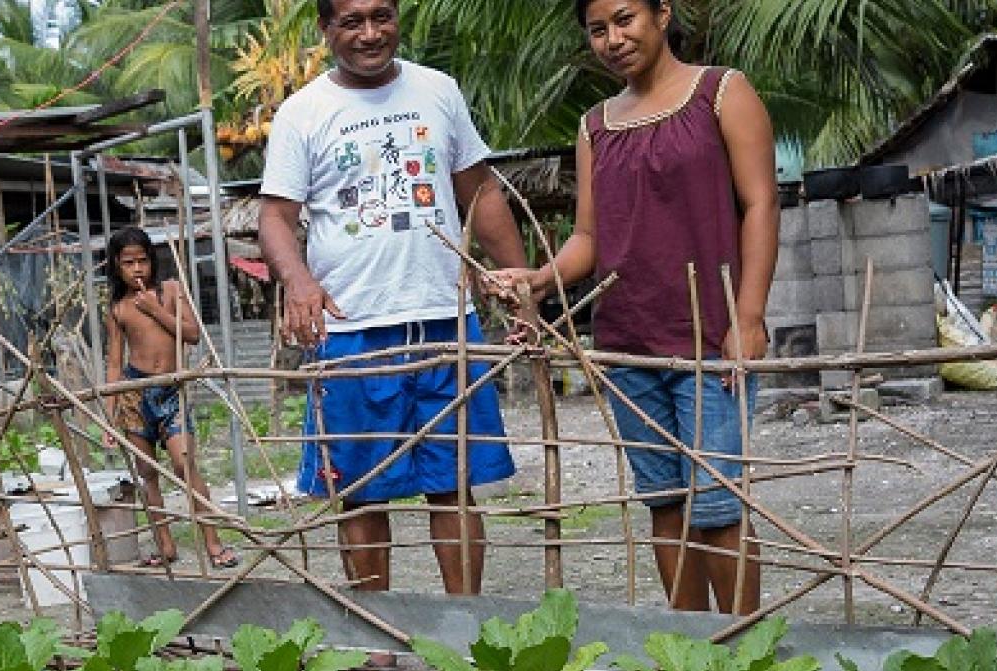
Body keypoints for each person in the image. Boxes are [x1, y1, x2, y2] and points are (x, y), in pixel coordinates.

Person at [490, 0, 778, 614]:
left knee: (720, 507)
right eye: (599, 30)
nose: (614, 39)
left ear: (662, 14)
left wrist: (748, 316)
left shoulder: (721, 92)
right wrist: (541, 279)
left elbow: (761, 205)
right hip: (627, 342)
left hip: (711, 336)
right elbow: (590, 239)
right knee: (666, 505)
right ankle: (689, 660)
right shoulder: (596, 126)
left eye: (625, 20)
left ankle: (748, 665)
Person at [257, 0, 527, 597]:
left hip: (443, 316)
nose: (370, 33)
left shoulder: (438, 90)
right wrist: (299, 281)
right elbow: (275, 216)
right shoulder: (303, 112)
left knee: (454, 484)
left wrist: (521, 282)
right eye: (351, 21)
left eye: (382, 16)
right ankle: (379, 634)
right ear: (326, 30)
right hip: (353, 327)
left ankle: (465, 632)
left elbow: (479, 191)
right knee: (359, 489)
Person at [102, 227, 240, 570]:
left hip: (172, 389)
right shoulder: (118, 309)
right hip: (135, 393)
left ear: (152, 261)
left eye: (142, 261)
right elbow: (115, 364)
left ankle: (212, 542)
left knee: (183, 463)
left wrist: (155, 310)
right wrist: (109, 414)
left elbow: (192, 335)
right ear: (117, 267)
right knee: (146, 471)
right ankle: (165, 546)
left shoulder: (172, 291)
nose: (137, 269)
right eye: (128, 263)